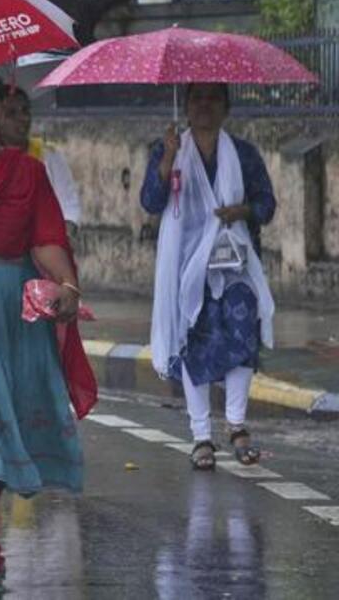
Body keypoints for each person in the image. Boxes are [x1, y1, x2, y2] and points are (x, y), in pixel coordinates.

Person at [0, 72, 90, 598]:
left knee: (4, 434)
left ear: (3, 108)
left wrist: (67, 286)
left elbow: (47, 241)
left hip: (15, 315)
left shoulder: (29, 173)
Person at [141, 83, 276, 471]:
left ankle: (236, 425)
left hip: (234, 263)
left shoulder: (244, 155)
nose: (204, 105)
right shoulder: (167, 148)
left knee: (242, 329)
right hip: (184, 265)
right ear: (185, 106)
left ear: (226, 107)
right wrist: (167, 159)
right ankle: (201, 435)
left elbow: (266, 206)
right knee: (194, 342)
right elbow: (151, 201)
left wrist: (242, 211)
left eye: (213, 98)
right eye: (197, 97)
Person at [0, 87, 82, 228]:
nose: (23, 118)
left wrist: (66, 231)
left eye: (25, 110)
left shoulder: (49, 155)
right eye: (11, 113)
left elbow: (69, 206)